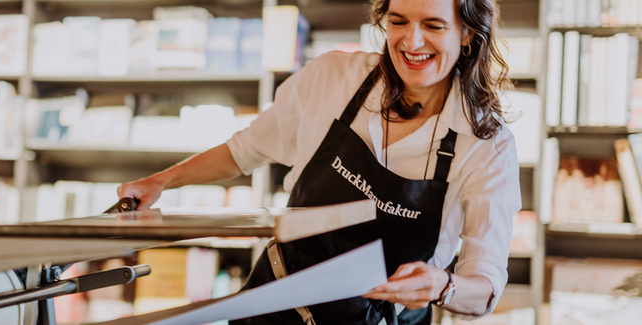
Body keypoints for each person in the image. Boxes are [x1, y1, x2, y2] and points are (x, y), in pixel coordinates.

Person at [117, 0, 521, 323]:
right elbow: (243, 151)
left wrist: (442, 287)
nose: (412, 42)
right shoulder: (332, 79)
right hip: (273, 308)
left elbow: (484, 286)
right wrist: (162, 182)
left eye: (433, 26)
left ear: (468, 32)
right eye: (398, 22)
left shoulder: (487, 146)